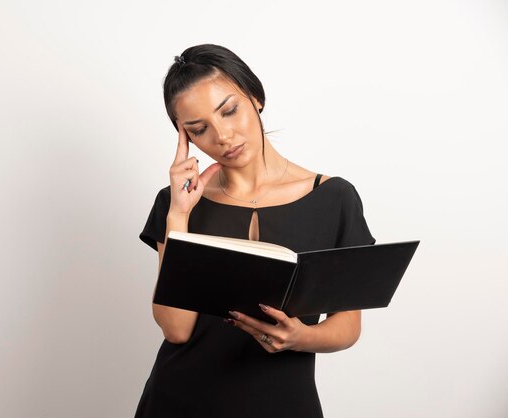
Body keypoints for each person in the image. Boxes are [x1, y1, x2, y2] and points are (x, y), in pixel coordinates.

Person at [135, 44, 376, 418]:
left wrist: (301, 337)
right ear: (187, 139)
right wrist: (179, 217)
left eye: (229, 111)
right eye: (199, 129)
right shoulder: (176, 203)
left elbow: (348, 325)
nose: (223, 136)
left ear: (256, 98)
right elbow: (176, 330)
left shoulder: (334, 198)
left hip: (282, 402)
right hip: (178, 402)